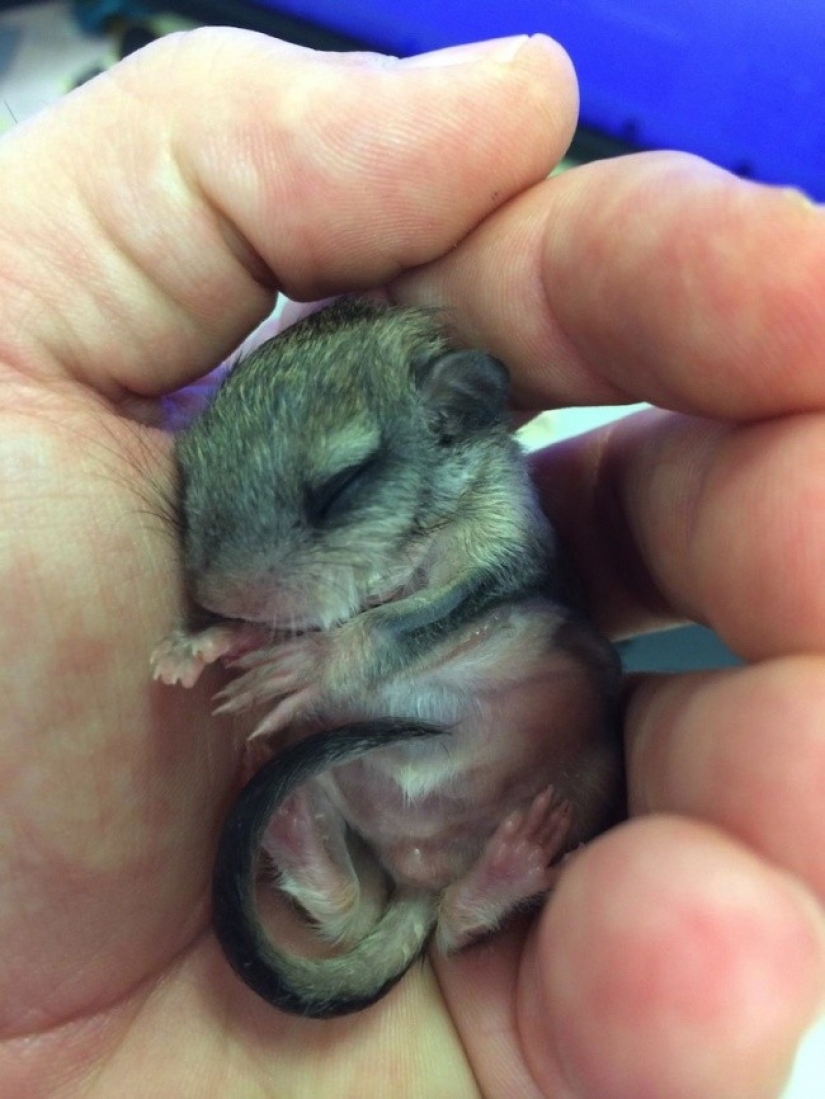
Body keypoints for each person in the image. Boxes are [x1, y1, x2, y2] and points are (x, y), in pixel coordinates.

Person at [0, 27, 822, 1099]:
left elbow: (465, 611)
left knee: (572, 691)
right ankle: (346, 902)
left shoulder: (483, 504)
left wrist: (335, 653)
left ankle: (469, 904)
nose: (227, 573)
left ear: (457, 423)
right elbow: (295, 630)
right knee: (319, 766)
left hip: (491, 765)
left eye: (336, 491)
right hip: (384, 817)